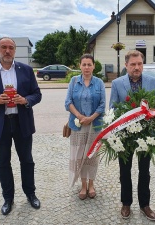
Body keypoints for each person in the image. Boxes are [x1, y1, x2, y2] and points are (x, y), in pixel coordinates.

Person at [0, 37, 42, 215]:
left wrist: (25, 100)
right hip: (0, 124)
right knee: (3, 163)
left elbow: (37, 94)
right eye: (4, 47)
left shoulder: (26, 70)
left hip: (22, 122)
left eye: (11, 47)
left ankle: (30, 193)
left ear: (15, 50)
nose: (7, 50)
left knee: (27, 161)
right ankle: (8, 198)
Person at [109, 50, 155, 221]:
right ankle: (126, 203)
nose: (137, 67)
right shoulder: (117, 83)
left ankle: (145, 205)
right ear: (126, 65)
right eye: (133, 64)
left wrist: (154, 114)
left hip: (147, 135)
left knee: (144, 171)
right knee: (124, 171)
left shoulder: (152, 82)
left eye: (139, 64)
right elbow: (112, 108)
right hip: (124, 136)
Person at [65, 54, 105, 200]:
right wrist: (80, 117)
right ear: (80, 66)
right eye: (84, 64)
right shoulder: (73, 82)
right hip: (78, 126)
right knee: (79, 155)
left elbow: (102, 105)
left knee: (92, 156)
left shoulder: (99, 83)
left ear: (94, 66)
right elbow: (68, 102)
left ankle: (91, 184)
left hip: (95, 126)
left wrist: (91, 118)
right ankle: (83, 185)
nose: (87, 67)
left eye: (89, 64)